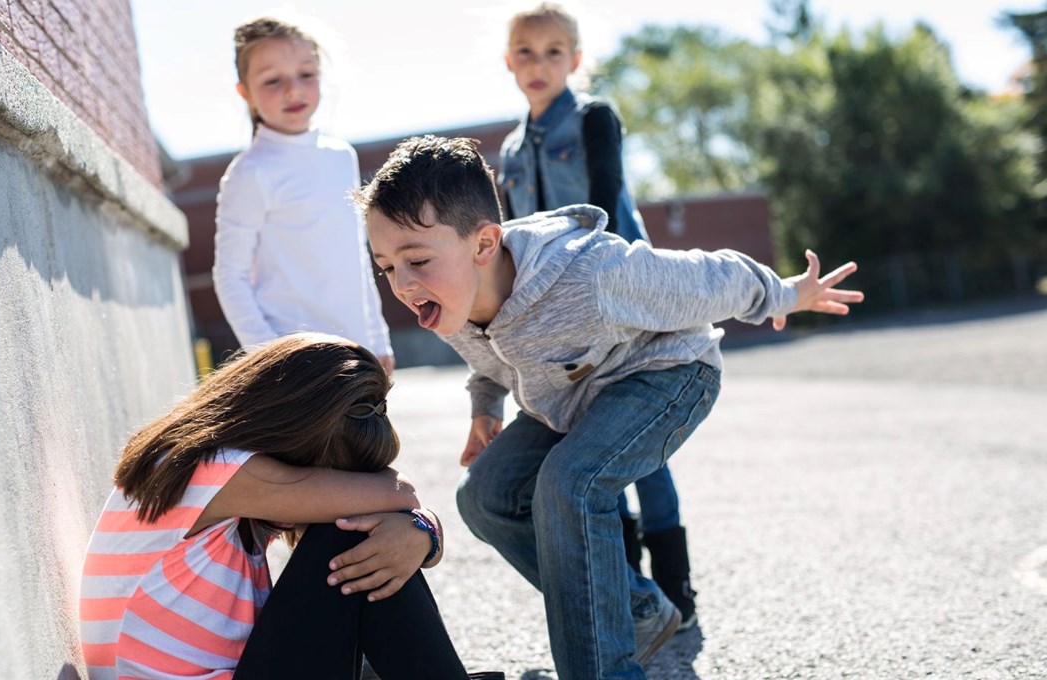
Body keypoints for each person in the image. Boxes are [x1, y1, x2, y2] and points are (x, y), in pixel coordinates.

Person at [358, 135, 863, 679]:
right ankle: (638, 612)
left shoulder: (590, 274)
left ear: (484, 244)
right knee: (484, 495)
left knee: (569, 484)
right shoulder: (449, 293)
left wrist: (787, 295)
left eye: (416, 260)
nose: (403, 285)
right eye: (386, 267)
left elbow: (710, 277)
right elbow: (490, 358)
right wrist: (486, 409)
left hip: (667, 374)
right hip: (571, 397)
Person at [79, 333, 500, 679]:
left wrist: (422, 534)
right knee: (347, 534)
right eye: (333, 475)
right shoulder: (214, 469)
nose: (334, 488)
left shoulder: (217, 478)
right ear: (294, 434)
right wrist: (419, 528)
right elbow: (400, 495)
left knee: (369, 553)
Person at [495, 2, 695, 628]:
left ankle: (676, 591)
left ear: (576, 60)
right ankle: (634, 600)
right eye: (526, 51)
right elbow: (511, 238)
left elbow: (606, 202)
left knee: (643, 451)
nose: (539, 63)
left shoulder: (593, 119)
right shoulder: (509, 148)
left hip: (622, 303)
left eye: (554, 51)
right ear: (509, 61)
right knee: (590, 445)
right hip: (557, 321)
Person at [213, 17, 394, 372]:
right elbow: (229, 275)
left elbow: (357, 258)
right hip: (296, 365)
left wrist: (378, 339)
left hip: (358, 354)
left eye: (306, 74)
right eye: (272, 80)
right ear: (245, 92)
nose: (293, 90)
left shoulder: (342, 156)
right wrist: (270, 356)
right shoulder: (250, 172)